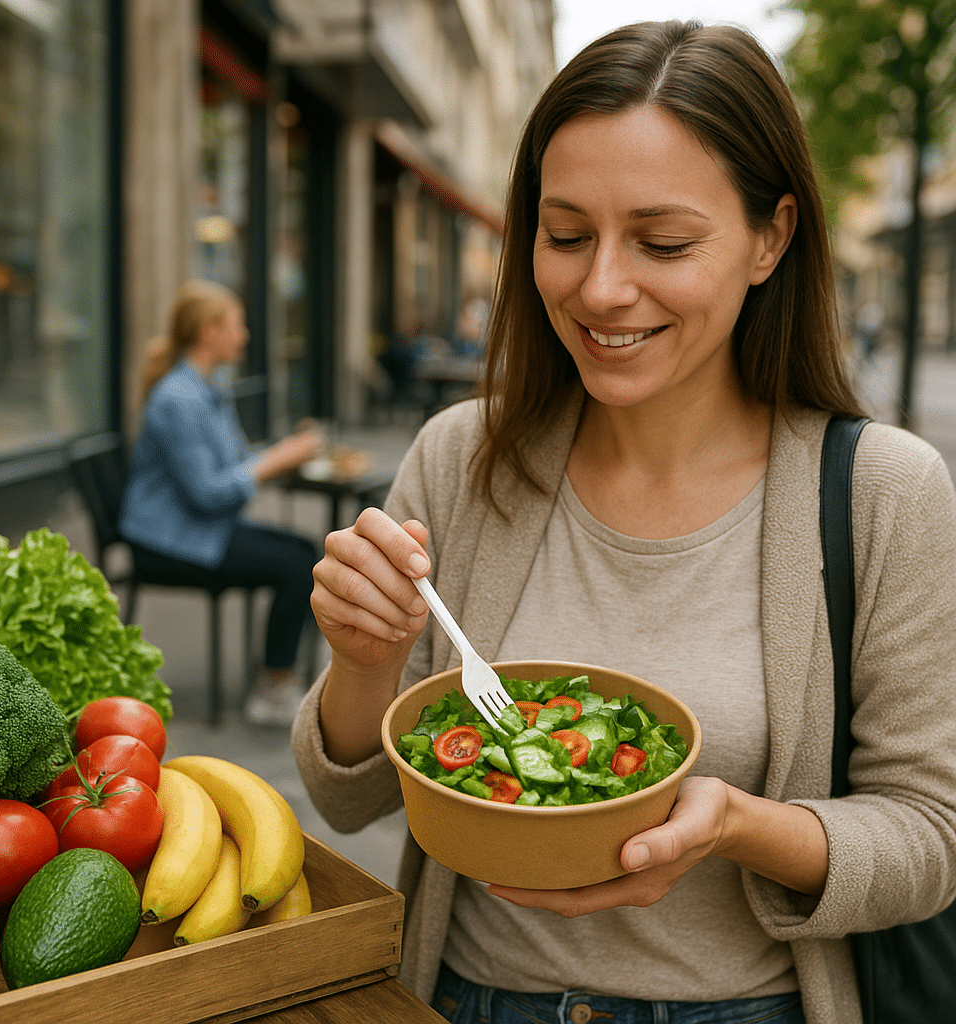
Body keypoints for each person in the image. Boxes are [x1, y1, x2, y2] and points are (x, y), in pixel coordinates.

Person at [292, 20, 956, 1024]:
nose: (600, 288)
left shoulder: (883, 491)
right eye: (565, 236)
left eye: (663, 243)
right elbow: (349, 799)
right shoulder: (462, 457)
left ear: (771, 237)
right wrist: (365, 662)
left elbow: (931, 839)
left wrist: (736, 826)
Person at [119, 279, 323, 726]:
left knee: (309, 551)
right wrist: (273, 461)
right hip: (170, 539)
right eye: (237, 325)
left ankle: (279, 672)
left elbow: (232, 465)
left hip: (200, 528)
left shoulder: (210, 388)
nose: (244, 335)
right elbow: (207, 494)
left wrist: (280, 456)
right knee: (298, 566)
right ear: (209, 331)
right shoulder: (179, 398)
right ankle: (273, 689)